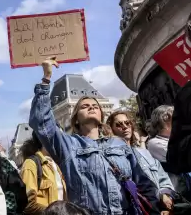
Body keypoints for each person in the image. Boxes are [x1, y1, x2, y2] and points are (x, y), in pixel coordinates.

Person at [28, 57, 159, 214]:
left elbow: (143, 182)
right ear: (76, 118)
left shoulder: (119, 145)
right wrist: (46, 78)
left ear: (102, 115)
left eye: (95, 106)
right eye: (84, 106)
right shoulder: (68, 145)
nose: (91, 107)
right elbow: (40, 121)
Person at [107, 111, 175, 214]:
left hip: (157, 209)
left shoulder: (144, 153)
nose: (125, 127)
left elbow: (163, 178)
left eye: (127, 123)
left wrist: (164, 195)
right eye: (119, 124)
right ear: (111, 129)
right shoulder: (109, 158)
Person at [20, 132, 66, 215]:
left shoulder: (56, 165)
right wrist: (54, 213)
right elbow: (27, 204)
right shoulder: (31, 164)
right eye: (58, 137)